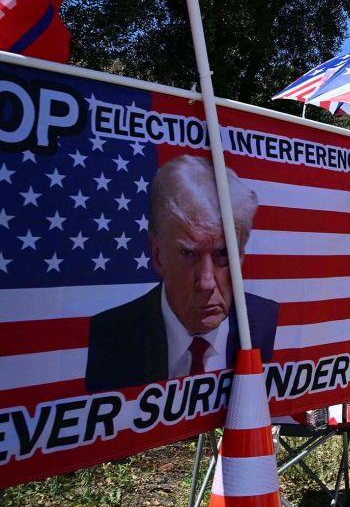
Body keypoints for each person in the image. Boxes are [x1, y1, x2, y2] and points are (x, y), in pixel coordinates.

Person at [85, 155, 278, 393]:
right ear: (157, 255)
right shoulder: (112, 337)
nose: (206, 282)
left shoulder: (267, 323)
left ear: (240, 257)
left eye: (222, 254)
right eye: (189, 254)